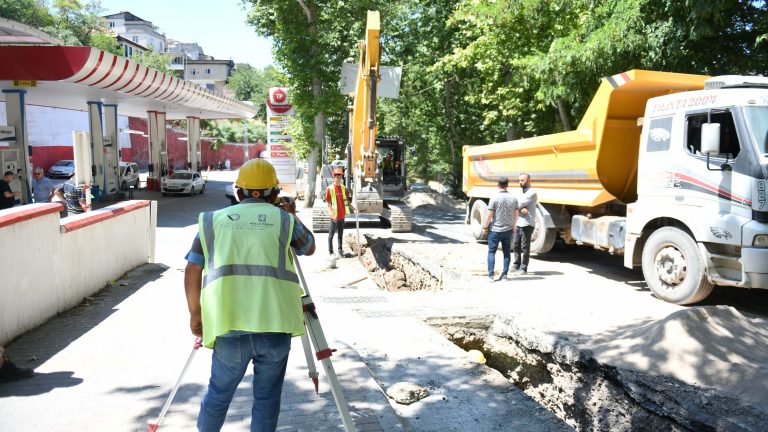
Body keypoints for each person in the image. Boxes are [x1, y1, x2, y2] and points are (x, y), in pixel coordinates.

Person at [183, 159, 315, 432]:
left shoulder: (212, 221)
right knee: (266, 399)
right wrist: (292, 214)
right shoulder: (284, 220)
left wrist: (196, 314)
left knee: (218, 395)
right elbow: (309, 247)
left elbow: (193, 268)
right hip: (275, 326)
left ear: (239, 192)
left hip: (228, 325)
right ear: (275, 193)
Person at [483, 177, 518, 282]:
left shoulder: (494, 198)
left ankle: (490, 276)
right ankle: (504, 275)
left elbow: (489, 215)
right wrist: (514, 226)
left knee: (491, 252)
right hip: (508, 230)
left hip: (495, 230)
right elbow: (516, 215)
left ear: (498, 185)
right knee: (506, 253)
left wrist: (485, 227)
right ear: (507, 185)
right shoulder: (513, 198)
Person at [513, 173, 538, 275]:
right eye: (519, 180)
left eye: (522, 180)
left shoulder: (532, 192)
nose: (520, 182)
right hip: (519, 222)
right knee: (516, 245)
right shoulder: (520, 192)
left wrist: (520, 206)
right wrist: (521, 208)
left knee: (525, 247)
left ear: (529, 181)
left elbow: (517, 204)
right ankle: (516, 264)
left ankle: (523, 268)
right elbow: (516, 202)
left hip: (527, 223)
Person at [325, 167, 352, 257]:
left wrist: (352, 207)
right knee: (331, 234)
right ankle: (331, 252)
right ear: (334, 177)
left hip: (342, 215)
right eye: (337, 176)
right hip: (335, 216)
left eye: (340, 176)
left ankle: (340, 251)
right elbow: (328, 204)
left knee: (340, 234)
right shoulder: (330, 188)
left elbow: (346, 200)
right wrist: (332, 215)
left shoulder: (344, 188)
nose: (339, 178)